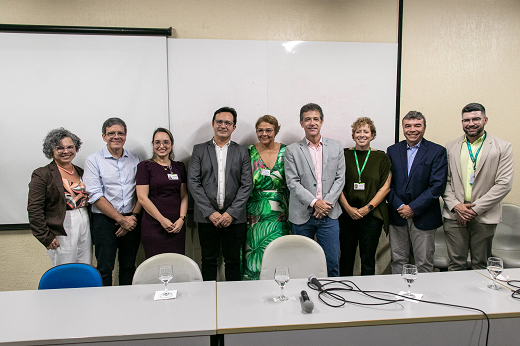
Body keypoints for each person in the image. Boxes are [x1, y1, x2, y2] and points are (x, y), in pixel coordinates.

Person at [443, 103, 513, 270]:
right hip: (455, 215)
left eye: (476, 119)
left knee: (480, 265)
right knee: (455, 264)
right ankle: (456, 297)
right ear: (462, 122)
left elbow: (504, 184)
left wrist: (474, 210)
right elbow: (444, 181)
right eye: (466, 120)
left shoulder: (502, 147)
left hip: (485, 216)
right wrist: (457, 206)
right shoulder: (450, 147)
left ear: (485, 120)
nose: (471, 123)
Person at [188, 107, 253, 281]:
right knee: (208, 261)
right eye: (219, 122)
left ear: (234, 127)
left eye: (227, 123)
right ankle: (208, 300)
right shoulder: (199, 150)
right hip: (207, 218)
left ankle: (233, 302)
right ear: (213, 124)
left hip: (235, 218)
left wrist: (230, 213)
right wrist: (211, 212)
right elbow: (193, 183)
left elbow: (247, 185)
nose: (223, 126)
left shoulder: (241, 151)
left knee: (233, 261)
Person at [285, 103, 345, 277]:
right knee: (301, 263)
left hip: (329, 213)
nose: (312, 123)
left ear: (322, 121)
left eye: (316, 119)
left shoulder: (336, 146)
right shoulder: (292, 150)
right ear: (301, 123)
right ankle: (304, 298)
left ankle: (332, 298)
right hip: (302, 216)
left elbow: (340, 179)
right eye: (307, 119)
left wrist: (325, 204)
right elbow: (292, 182)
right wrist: (314, 203)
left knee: (331, 262)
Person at [387, 111, 447, 274]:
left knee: (424, 263)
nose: (412, 129)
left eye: (417, 125)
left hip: (424, 216)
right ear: (403, 128)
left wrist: (412, 208)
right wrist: (400, 205)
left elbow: (437, 186)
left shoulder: (437, 151)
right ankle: (399, 295)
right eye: (408, 126)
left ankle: (423, 298)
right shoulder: (392, 150)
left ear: (424, 128)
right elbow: (387, 185)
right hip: (397, 215)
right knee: (398, 260)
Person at [83, 118, 142, 286]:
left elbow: (141, 192)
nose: (116, 136)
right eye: (111, 133)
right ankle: (106, 307)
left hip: (132, 220)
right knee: (105, 268)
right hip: (104, 221)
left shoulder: (135, 159)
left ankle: (127, 304)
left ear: (125, 136)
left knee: (128, 266)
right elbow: (94, 195)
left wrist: (131, 218)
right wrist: (120, 219)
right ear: (104, 136)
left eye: (120, 133)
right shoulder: (93, 160)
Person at [28, 128, 91, 267]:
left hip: (84, 220)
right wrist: (45, 237)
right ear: (51, 150)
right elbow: (34, 208)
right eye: (60, 148)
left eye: (70, 147)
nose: (66, 151)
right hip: (62, 224)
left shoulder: (81, 171)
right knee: (65, 268)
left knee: (85, 265)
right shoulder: (42, 174)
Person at [338, 117, 391, 276]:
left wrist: (367, 208)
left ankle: (366, 292)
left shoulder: (381, 157)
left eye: (366, 131)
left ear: (372, 135)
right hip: (347, 215)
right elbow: (336, 183)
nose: (362, 135)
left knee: (368, 258)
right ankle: (344, 290)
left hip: (371, 215)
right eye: (358, 132)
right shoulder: (343, 155)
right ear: (353, 135)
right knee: (346, 257)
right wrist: (348, 208)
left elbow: (385, 187)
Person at [243, 115, 291, 280]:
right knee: (255, 248)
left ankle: (279, 286)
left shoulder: (287, 151)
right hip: (255, 211)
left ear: (276, 131)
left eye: (268, 130)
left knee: (279, 249)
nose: (264, 134)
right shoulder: (249, 151)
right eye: (260, 130)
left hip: (282, 211)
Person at [136, 128, 188, 259]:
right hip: (154, 225)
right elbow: (142, 197)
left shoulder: (179, 166)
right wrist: (162, 220)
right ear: (153, 145)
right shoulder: (145, 166)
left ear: (171, 144)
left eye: (166, 142)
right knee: (155, 265)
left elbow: (184, 195)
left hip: (177, 225)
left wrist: (182, 219)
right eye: (157, 142)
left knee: (176, 264)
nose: (161, 146)